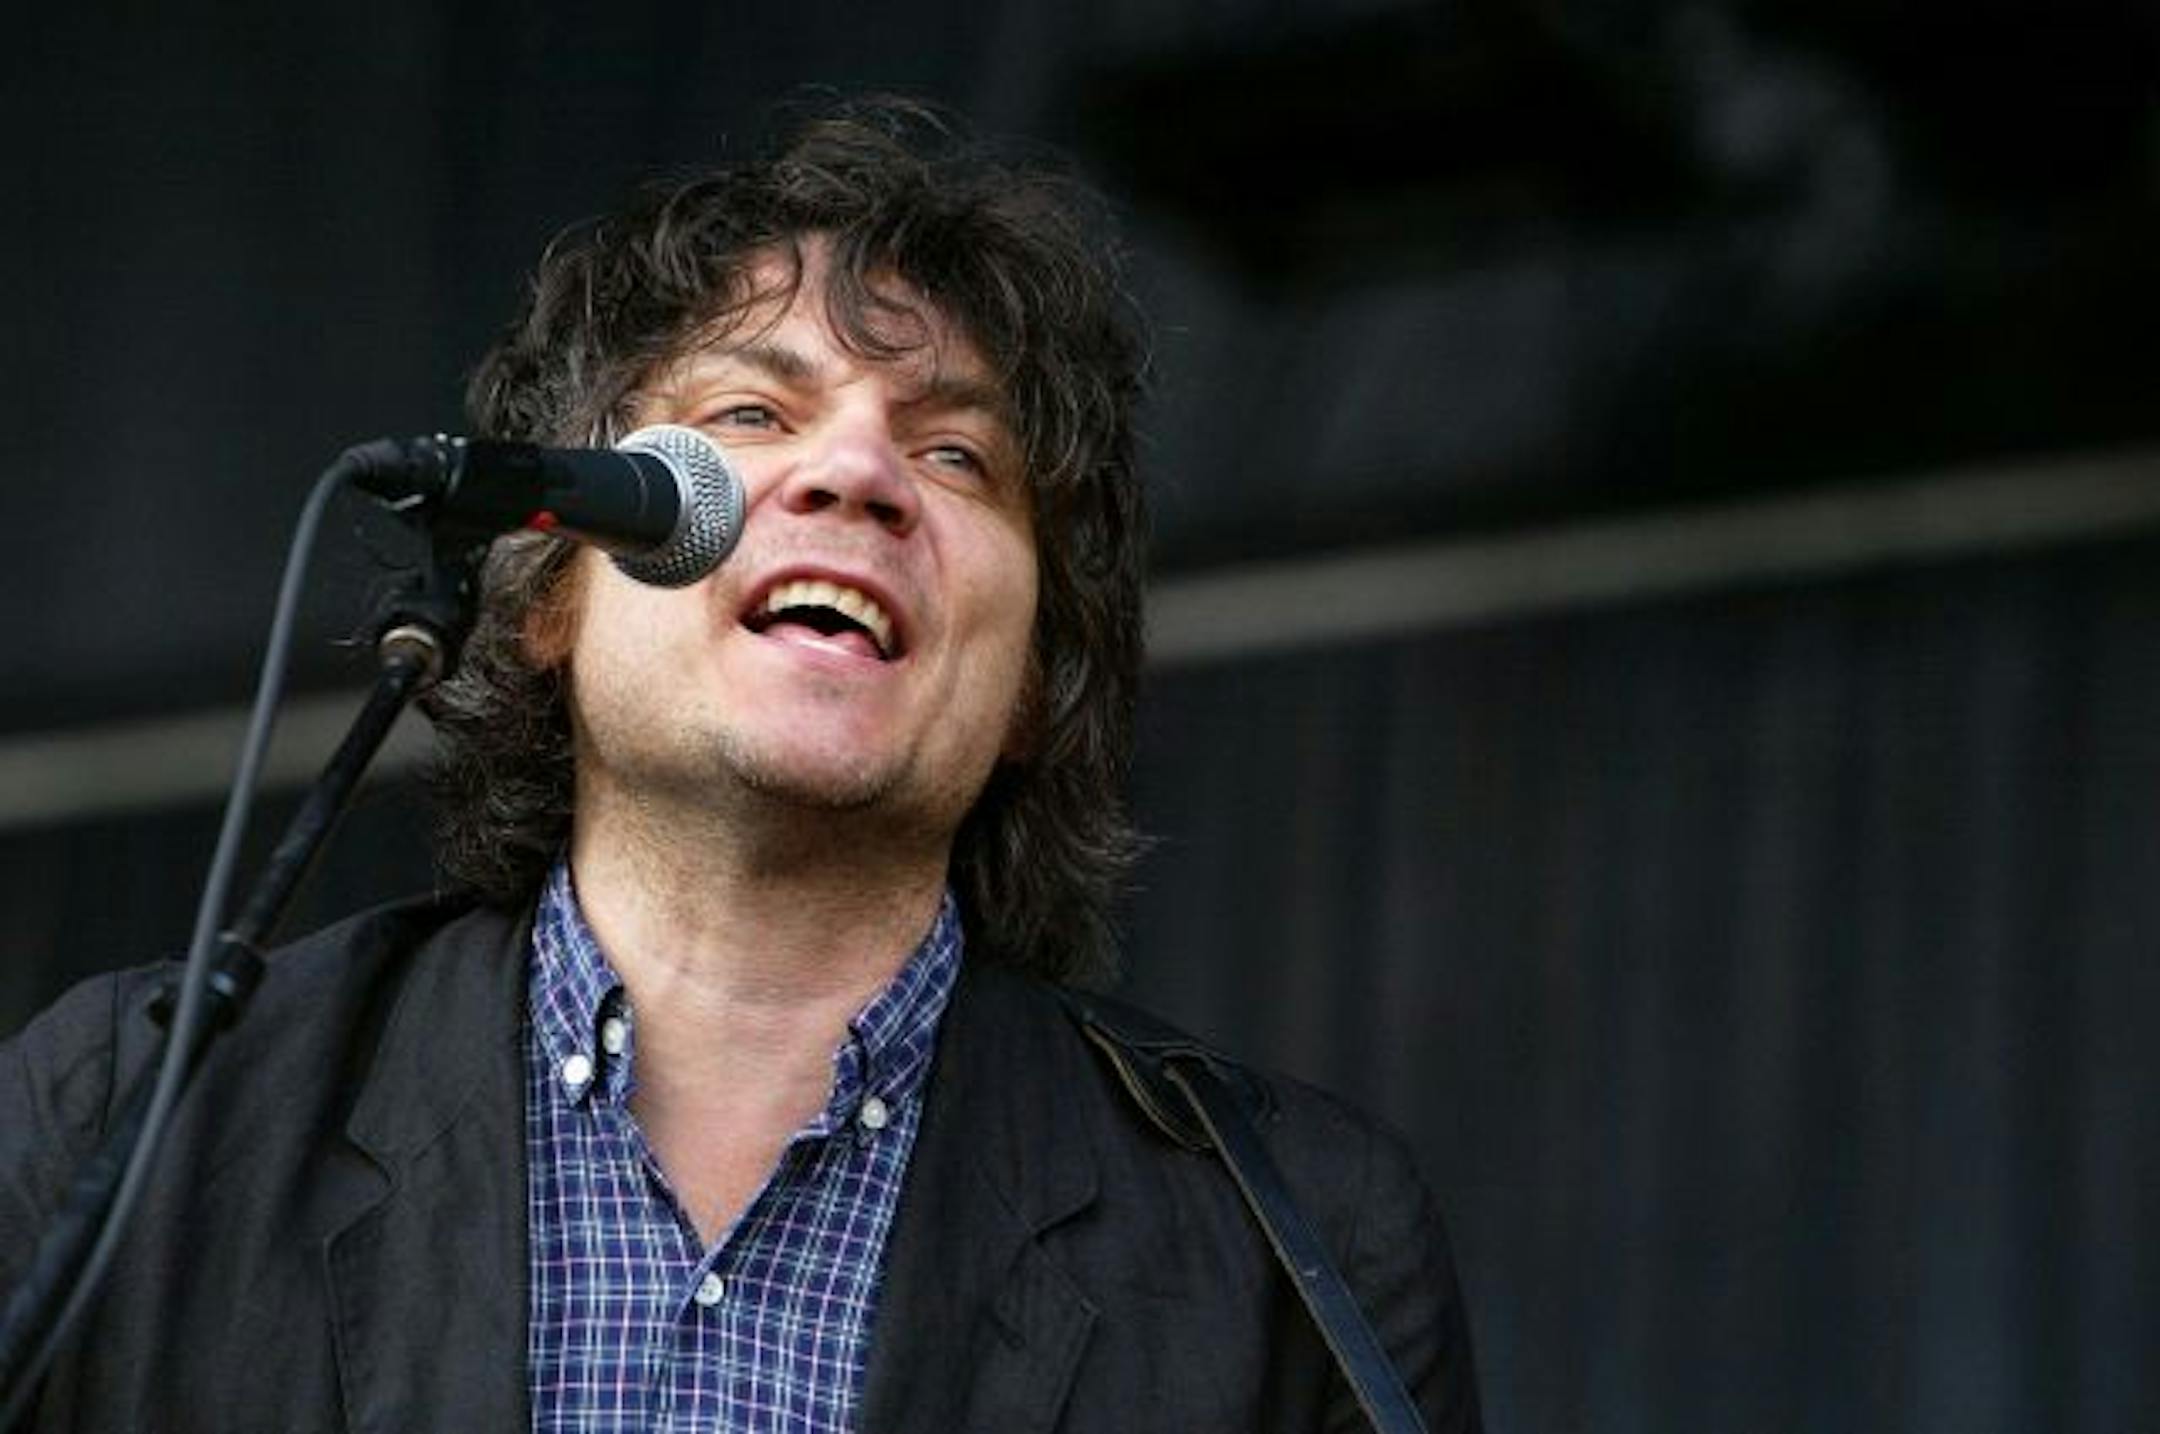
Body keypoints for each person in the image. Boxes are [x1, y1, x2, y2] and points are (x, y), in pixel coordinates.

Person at [0, 99, 1481, 1432]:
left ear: (1036, 679)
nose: (856, 475)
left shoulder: (1293, 1246)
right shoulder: (122, 1116)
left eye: (960, 456)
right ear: (550, 590)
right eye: (749, 415)